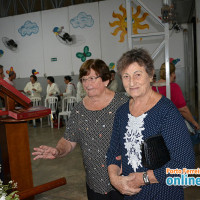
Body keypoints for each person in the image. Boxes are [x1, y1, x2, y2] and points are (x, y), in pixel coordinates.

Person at [32, 59, 129, 200]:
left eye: (92, 78)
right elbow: (69, 139)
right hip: (94, 181)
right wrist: (58, 150)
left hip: (124, 180)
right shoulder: (79, 109)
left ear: (105, 80)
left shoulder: (123, 103)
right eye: (84, 79)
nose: (87, 84)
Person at [106, 48, 195, 199]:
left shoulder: (166, 112)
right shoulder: (122, 113)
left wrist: (143, 178)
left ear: (151, 74)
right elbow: (113, 152)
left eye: (137, 75)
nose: (132, 82)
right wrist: (115, 179)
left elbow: (185, 166)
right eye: (126, 76)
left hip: (163, 193)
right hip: (131, 195)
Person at [152, 63, 200, 130]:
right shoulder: (173, 87)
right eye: (174, 72)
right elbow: (183, 109)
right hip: (172, 126)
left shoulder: (153, 87)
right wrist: (194, 123)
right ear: (171, 74)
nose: (175, 75)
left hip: (157, 125)